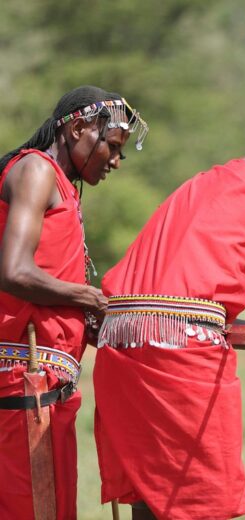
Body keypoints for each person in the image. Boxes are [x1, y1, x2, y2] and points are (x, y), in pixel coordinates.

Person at [93, 124, 245, 520]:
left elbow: (212, 316)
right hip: (180, 347)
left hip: (122, 341)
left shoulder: (211, 180)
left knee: (153, 499)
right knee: (201, 502)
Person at [0, 85, 147, 520]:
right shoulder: (36, 170)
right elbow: (14, 272)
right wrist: (89, 298)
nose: (117, 161)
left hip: (49, 385)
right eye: (114, 147)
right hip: (22, 377)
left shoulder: (61, 185)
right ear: (78, 128)